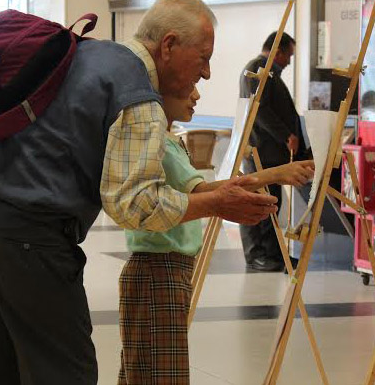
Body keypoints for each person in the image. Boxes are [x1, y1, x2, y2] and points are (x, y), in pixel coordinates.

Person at [0, 0, 277, 385]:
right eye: (203, 57)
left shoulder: (89, 55)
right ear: (169, 45)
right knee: (64, 372)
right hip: (32, 234)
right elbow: (133, 205)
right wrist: (215, 203)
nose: (207, 72)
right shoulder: (137, 92)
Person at [118, 85, 313, 384]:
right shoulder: (160, 144)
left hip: (167, 270)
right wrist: (274, 174)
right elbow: (209, 192)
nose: (195, 95)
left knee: (147, 372)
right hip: (159, 271)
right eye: (190, 83)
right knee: (158, 375)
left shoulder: (167, 140)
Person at [239, 31, 307, 272]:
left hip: (272, 153)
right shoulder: (258, 70)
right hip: (260, 150)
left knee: (271, 201)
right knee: (258, 201)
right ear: (277, 51)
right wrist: (285, 134)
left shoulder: (270, 72)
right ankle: (257, 253)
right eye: (288, 55)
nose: (289, 61)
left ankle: (275, 254)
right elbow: (261, 110)